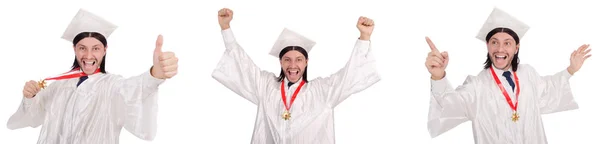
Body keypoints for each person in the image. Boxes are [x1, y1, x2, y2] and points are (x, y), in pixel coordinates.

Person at [7, 8, 179, 144]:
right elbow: (32, 117)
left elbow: (135, 88)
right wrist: (30, 97)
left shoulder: (111, 85)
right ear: (74, 49)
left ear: (105, 50)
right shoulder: (58, 86)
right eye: (82, 48)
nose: (88, 56)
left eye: (95, 48)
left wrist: (155, 74)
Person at [212, 8, 381, 143]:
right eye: (287, 59)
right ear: (280, 62)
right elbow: (242, 65)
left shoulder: (323, 91)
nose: (293, 66)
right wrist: (225, 28)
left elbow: (349, 75)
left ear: (306, 62)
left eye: (299, 59)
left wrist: (364, 37)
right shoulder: (266, 86)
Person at [424, 7, 592, 144]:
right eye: (494, 42)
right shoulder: (477, 85)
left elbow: (549, 90)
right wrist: (438, 77)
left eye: (507, 43)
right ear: (488, 46)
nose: (500, 49)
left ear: (516, 47)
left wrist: (570, 70)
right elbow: (451, 107)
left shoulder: (528, 74)